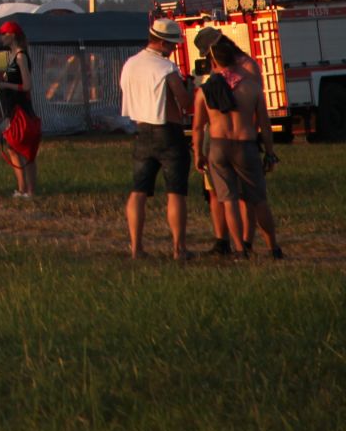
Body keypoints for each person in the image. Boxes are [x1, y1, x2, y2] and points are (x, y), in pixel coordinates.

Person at [194, 36, 283, 259]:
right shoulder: (252, 87)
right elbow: (265, 125)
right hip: (246, 145)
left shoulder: (205, 91)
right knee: (258, 199)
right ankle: (273, 247)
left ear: (214, 63)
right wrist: (270, 154)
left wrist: (198, 153)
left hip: (218, 145)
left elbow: (197, 127)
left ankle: (240, 250)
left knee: (228, 200)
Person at [121, 19, 193, 260]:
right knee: (175, 192)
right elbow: (184, 102)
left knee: (138, 191)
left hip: (142, 132)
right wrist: (192, 89)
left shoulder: (130, 64)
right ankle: (178, 249)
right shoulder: (166, 68)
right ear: (162, 42)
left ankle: (136, 248)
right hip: (168, 132)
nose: (173, 49)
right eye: (171, 45)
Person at [191, 27, 260, 255]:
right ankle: (222, 241)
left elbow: (255, 104)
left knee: (243, 195)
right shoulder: (218, 69)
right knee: (216, 192)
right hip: (217, 134)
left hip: (241, 135)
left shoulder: (247, 65)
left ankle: (245, 241)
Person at [0, 22, 42, 198]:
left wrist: (5, 84)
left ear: (12, 35)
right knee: (12, 147)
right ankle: (22, 188)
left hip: (21, 108)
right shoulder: (13, 56)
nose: (0, 37)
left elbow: (27, 84)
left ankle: (30, 189)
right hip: (12, 107)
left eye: (3, 34)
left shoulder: (21, 56)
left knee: (25, 148)